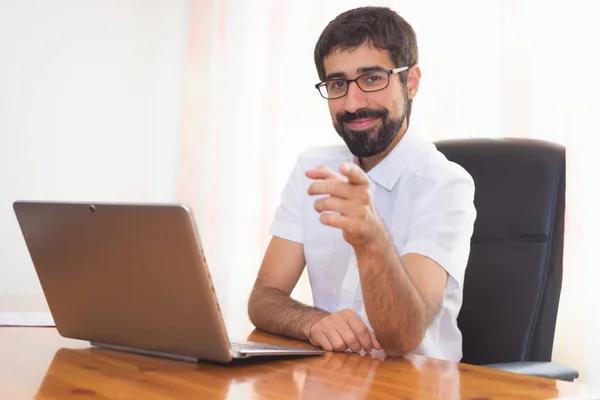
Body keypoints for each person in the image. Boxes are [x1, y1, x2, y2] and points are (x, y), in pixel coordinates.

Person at [247, 6, 476, 362]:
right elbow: (264, 298)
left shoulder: (446, 185)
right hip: (332, 378)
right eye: (338, 84)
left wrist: (370, 237)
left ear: (410, 82)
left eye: (372, 78)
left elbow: (404, 337)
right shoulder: (313, 168)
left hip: (414, 386)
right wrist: (311, 321)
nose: (353, 104)